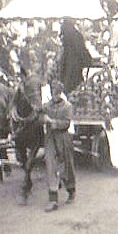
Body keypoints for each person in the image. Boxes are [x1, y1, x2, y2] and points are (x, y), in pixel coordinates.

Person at [41, 78, 76, 212]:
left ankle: (71, 190)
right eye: (52, 93)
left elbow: (66, 123)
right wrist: (41, 118)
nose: (54, 96)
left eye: (56, 93)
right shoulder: (47, 106)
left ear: (60, 93)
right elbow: (39, 112)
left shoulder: (67, 107)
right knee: (50, 164)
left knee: (66, 165)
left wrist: (51, 121)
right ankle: (53, 199)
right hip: (50, 138)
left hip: (63, 139)